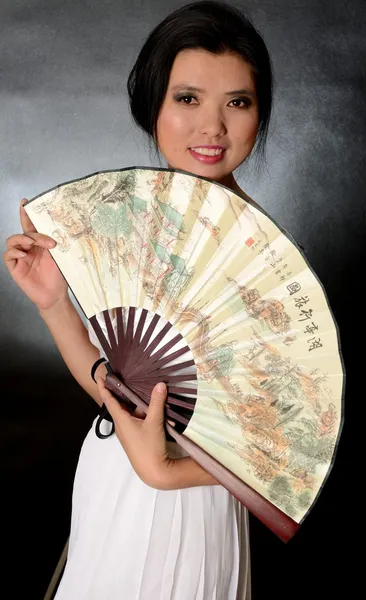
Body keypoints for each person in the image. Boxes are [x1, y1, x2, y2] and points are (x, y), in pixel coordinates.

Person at [3, 1, 273, 598]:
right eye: (187, 98)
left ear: (260, 115)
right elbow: (109, 383)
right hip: (106, 479)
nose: (212, 127)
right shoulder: (137, 226)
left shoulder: (259, 256)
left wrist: (164, 469)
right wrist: (54, 304)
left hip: (188, 506)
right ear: (153, 106)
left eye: (238, 102)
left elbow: (282, 447)